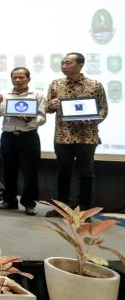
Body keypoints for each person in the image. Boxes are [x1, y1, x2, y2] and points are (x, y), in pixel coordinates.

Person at [46, 52, 108, 215]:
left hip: (87, 136)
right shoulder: (55, 84)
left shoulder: (95, 84)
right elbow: (47, 108)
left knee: (86, 174)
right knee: (63, 173)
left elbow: (103, 109)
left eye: (68, 63)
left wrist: (89, 119)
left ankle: (85, 210)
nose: (63, 66)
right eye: (62, 63)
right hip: (62, 136)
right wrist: (50, 106)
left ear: (80, 65)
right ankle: (61, 208)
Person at [0, 67, 46, 215]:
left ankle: (29, 203)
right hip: (8, 136)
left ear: (29, 78)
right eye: (15, 77)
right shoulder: (4, 94)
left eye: (21, 77)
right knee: (8, 169)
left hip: (29, 136)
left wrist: (29, 120)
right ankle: (9, 201)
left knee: (30, 171)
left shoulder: (38, 94)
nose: (18, 80)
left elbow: (42, 118)